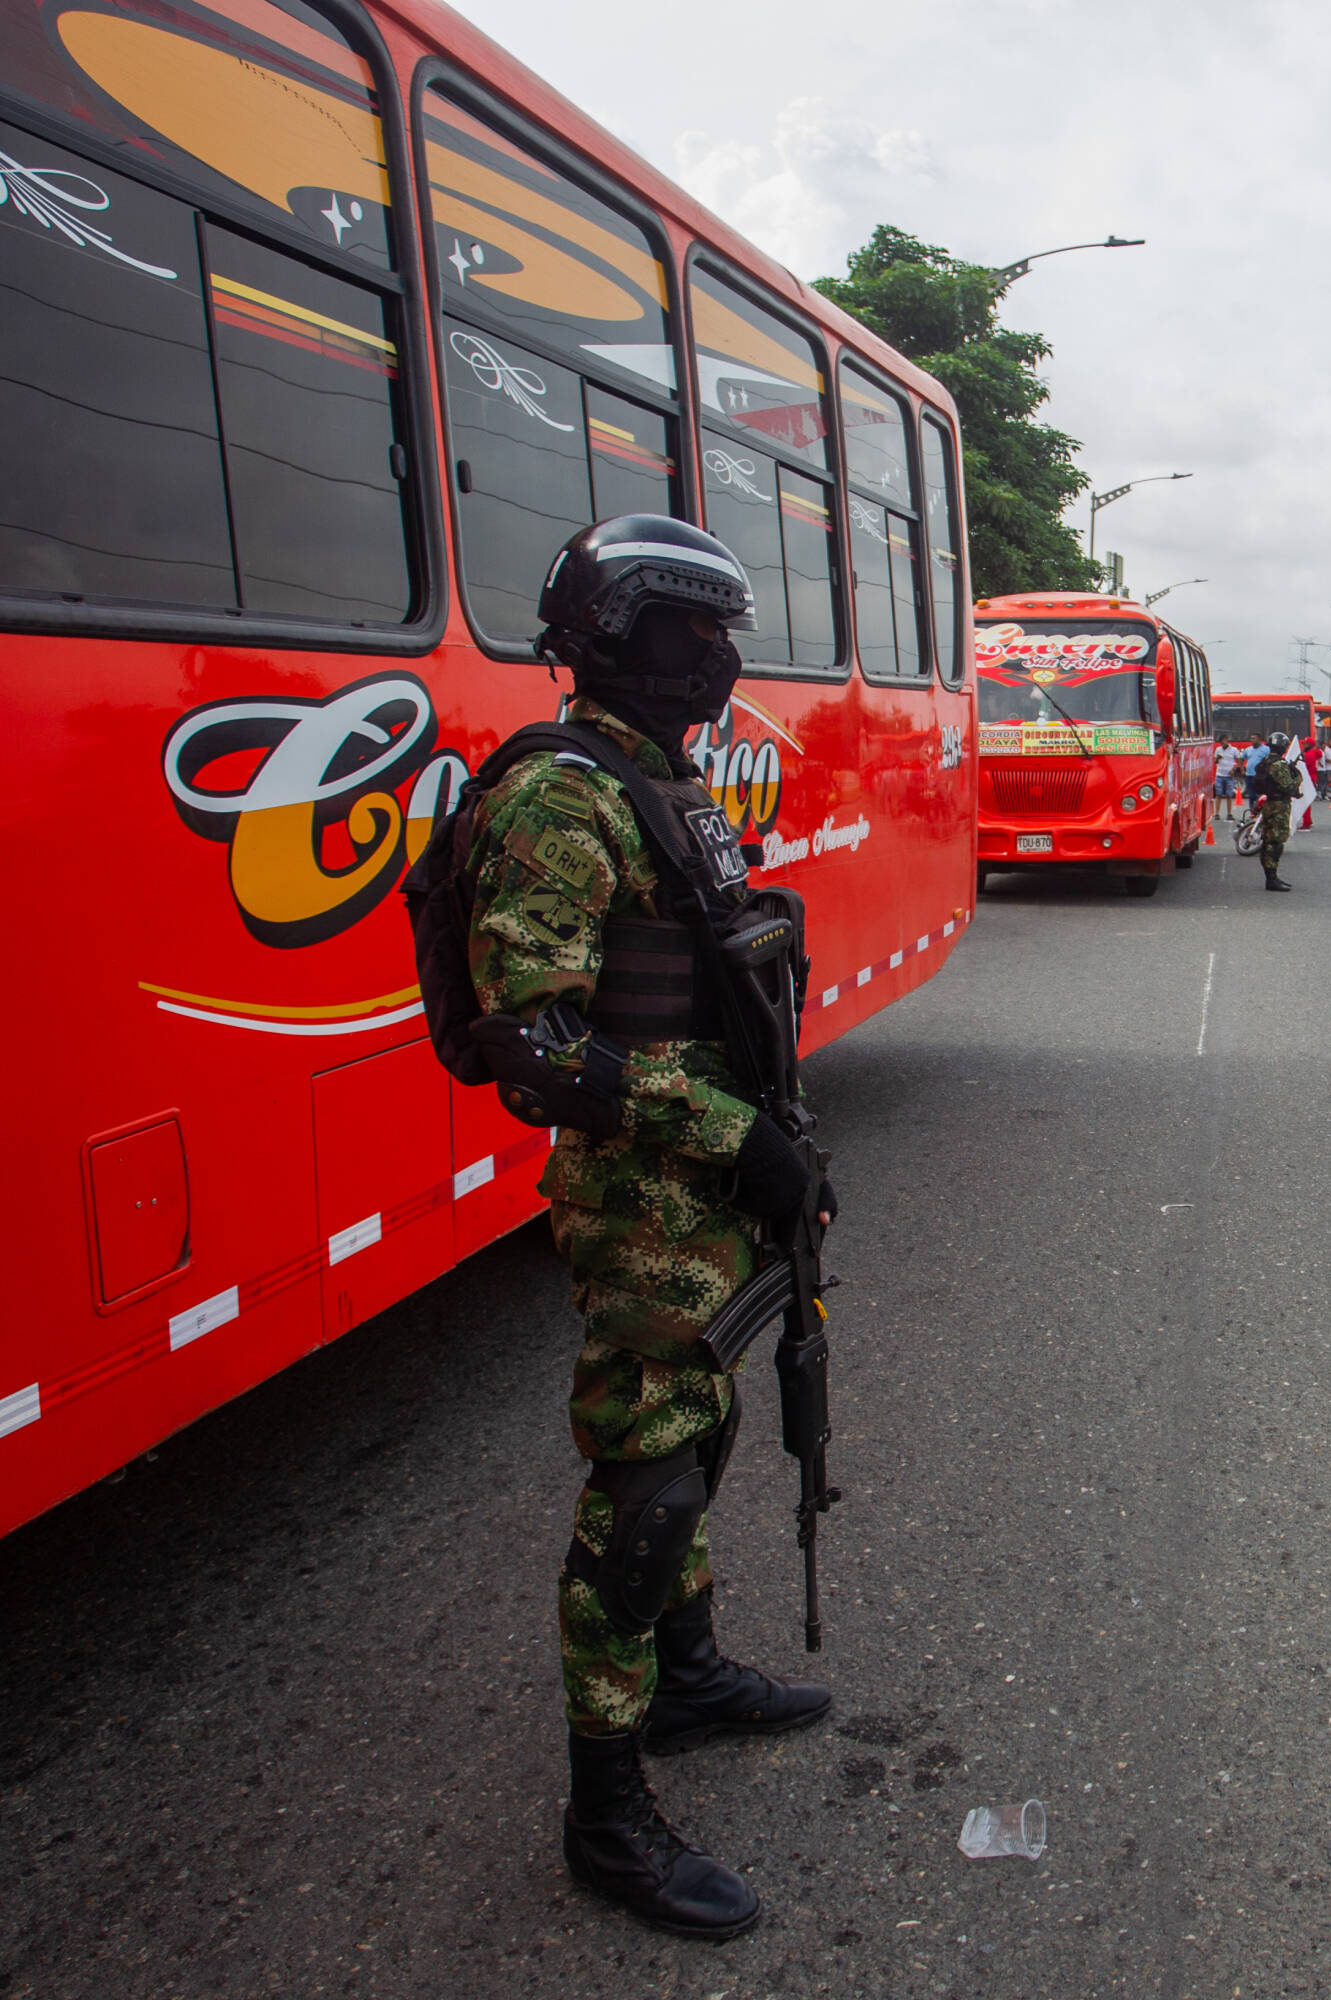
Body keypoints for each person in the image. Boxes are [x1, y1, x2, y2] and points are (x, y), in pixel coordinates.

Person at [461, 516, 837, 1942]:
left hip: (707, 1190)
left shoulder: (661, 782)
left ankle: (683, 1680)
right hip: (639, 1198)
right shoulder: (562, 800)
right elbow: (538, 1049)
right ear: (619, 637)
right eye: (699, 632)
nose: (725, 658)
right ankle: (605, 1817)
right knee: (644, 1488)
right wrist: (728, 1135)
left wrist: (777, 1145)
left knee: (698, 1433)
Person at [1252, 730, 1303, 890]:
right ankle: (1272, 878)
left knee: (1269, 840)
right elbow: (1289, 787)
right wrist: (1297, 776)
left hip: (1269, 803)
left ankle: (1271, 877)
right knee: (1275, 842)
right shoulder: (1279, 765)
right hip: (1279, 805)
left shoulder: (1266, 761)